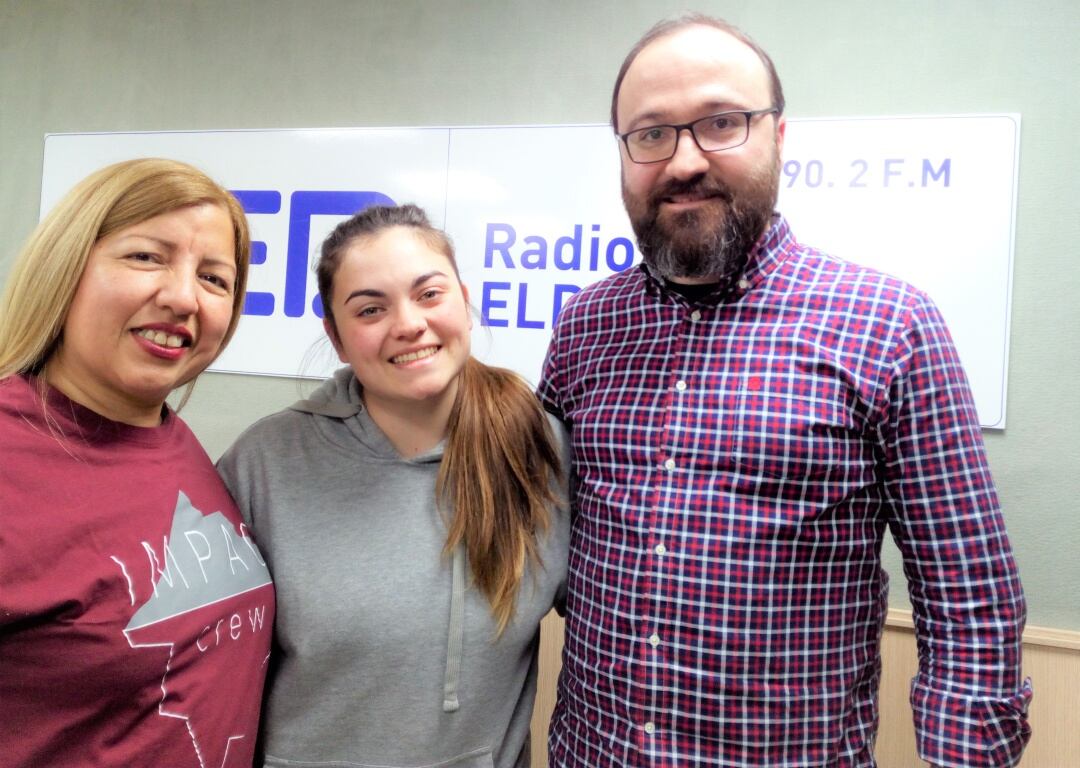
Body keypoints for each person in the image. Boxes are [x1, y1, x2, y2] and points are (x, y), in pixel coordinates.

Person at [537, 14, 1030, 768]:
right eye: (651, 134)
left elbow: (969, 600)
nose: (684, 160)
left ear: (779, 136)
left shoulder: (890, 326)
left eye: (721, 122)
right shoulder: (583, 326)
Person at [217, 203, 569, 768]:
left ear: (465, 300)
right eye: (370, 309)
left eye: (429, 294)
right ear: (335, 337)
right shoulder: (264, 465)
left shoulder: (538, 451)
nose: (408, 323)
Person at [0, 158, 275, 767]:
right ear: (65, 267)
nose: (182, 297)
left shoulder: (175, 444)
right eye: (146, 257)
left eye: (214, 278)